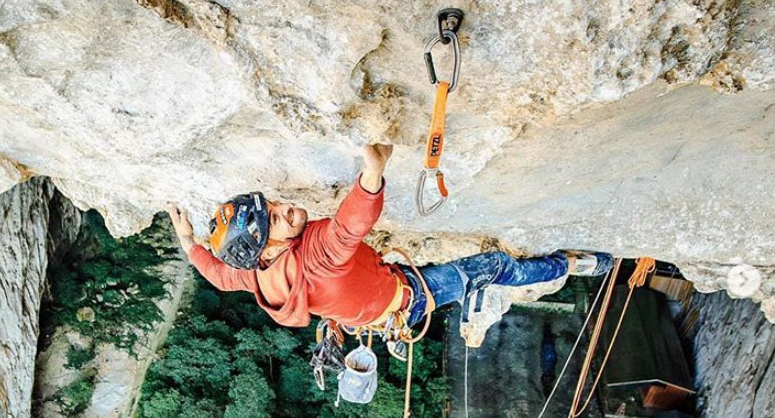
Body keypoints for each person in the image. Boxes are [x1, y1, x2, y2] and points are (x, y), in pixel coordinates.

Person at [167, 144, 612, 331]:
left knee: (477, 271)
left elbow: (219, 276)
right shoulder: (315, 258)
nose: (285, 209)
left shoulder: (257, 275)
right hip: (408, 296)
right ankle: (572, 266)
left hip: (375, 303)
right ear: (271, 247)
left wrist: (189, 243)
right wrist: (373, 172)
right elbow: (348, 227)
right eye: (276, 220)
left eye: (273, 207)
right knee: (491, 266)